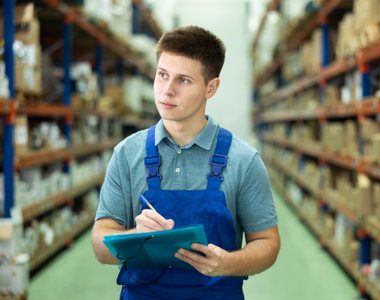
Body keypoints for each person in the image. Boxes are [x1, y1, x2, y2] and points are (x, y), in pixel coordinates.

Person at [91, 25, 280, 300]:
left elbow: (268, 243)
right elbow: (99, 244)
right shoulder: (127, 154)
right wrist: (134, 237)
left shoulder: (243, 160)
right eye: (162, 75)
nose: (166, 91)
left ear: (211, 87)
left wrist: (229, 263)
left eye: (183, 80)